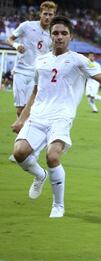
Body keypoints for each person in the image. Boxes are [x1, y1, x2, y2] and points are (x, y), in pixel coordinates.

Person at [11, 16, 101, 218]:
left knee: (52, 156)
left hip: (61, 117)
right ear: (50, 36)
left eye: (64, 33)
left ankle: (58, 205)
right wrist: (22, 119)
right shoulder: (41, 60)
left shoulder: (79, 60)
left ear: (70, 36)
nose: (59, 37)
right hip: (38, 116)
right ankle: (40, 175)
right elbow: (36, 91)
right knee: (19, 152)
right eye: (55, 33)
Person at [6, 1, 57, 162]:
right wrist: (16, 45)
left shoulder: (53, 34)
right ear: (40, 13)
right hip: (21, 71)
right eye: (45, 14)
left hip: (37, 75)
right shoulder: (27, 26)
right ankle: (25, 147)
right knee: (20, 110)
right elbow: (10, 38)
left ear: (54, 15)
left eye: (51, 14)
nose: (47, 17)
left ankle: (26, 150)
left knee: (31, 111)